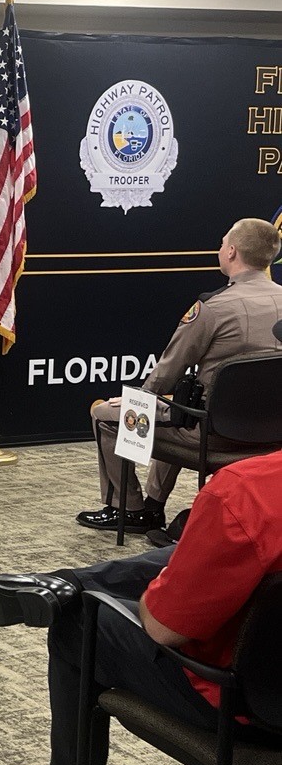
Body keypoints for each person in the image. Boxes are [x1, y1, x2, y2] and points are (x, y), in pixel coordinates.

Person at [0, 449, 282, 765]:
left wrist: (164, 587)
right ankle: (65, 581)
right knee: (186, 551)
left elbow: (163, 628)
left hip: (250, 711)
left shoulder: (246, 493)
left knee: (80, 622)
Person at [79, 217, 282, 534]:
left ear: (231, 252)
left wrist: (138, 399)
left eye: (222, 243)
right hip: (274, 436)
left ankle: (128, 509)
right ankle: (153, 506)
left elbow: (166, 373)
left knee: (107, 416)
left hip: (215, 437)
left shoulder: (213, 308)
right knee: (176, 407)